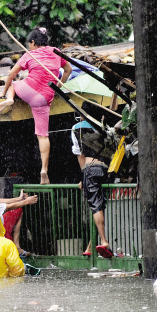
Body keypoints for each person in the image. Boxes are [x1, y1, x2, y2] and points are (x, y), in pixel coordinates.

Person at [0, 27, 72, 185]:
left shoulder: (29, 54)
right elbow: (68, 69)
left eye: (29, 43)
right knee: (43, 135)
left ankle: (9, 99)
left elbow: (11, 74)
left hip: (27, 90)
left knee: (14, 84)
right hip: (44, 97)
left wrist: (2, 93)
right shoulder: (56, 51)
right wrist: (59, 85)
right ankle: (44, 169)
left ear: (33, 42)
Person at [71, 100, 113, 258]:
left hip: (90, 169)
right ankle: (90, 245)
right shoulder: (105, 127)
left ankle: (103, 241)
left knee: (96, 207)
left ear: (83, 114)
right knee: (101, 206)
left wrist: (83, 176)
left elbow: (80, 155)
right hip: (105, 169)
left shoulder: (77, 129)